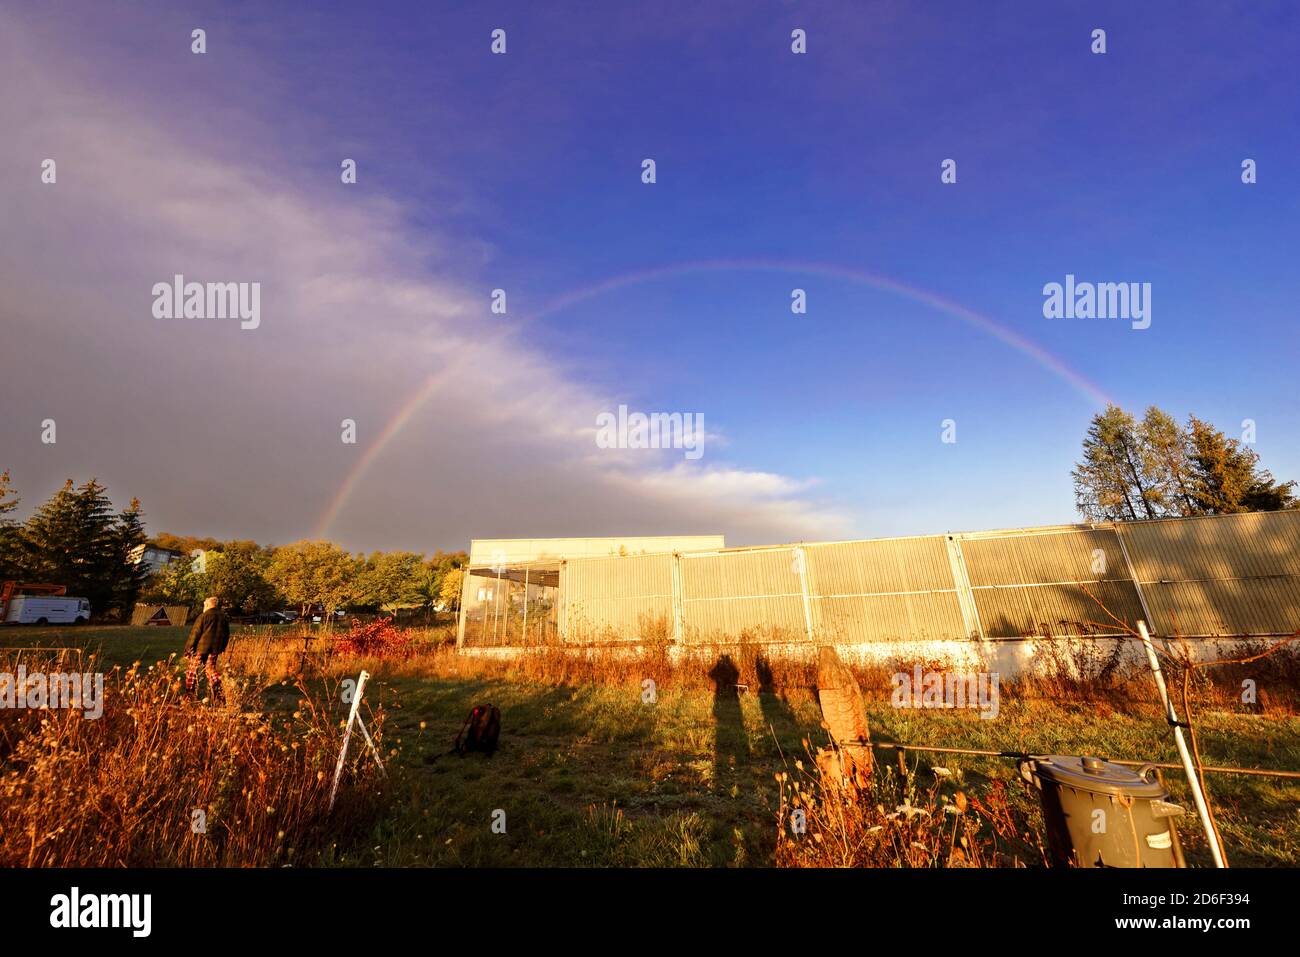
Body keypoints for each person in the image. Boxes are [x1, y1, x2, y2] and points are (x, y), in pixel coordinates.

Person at [183, 596, 230, 702]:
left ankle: (189, 695)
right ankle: (219, 693)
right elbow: (226, 635)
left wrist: (188, 649)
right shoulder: (224, 617)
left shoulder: (204, 616)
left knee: (192, 671)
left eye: (205, 605)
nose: (204, 607)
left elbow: (195, 634)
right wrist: (222, 647)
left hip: (200, 648)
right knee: (210, 669)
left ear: (208, 605)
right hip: (215, 649)